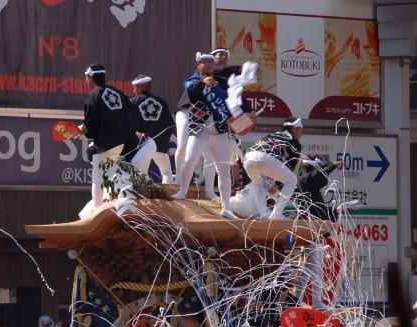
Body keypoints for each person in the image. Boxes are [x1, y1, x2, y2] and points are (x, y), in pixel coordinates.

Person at [172, 52, 238, 220]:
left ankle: (226, 207)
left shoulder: (220, 82)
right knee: (190, 159)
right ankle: (182, 191)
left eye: (211, 62)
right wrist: (203, 81)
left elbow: (233, 101)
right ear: (198, 65)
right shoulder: (192, 81)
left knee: (224, 171)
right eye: (205, 61)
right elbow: (193, 92)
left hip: (219, 133)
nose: (209, 64)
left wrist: (248, 113)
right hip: (199, 131)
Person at [81, 63, 140, 209]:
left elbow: (91, 126)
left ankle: (97, 210)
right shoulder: (117, 92)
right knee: (117, 175)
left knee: (97, 177)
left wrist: (84, 130)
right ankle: (124, 207)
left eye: (86, 77)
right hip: (125, 142)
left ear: (90, 77)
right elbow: (129, 109)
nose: (86, 80)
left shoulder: (93, 96)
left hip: (107, 142)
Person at [294, 154, 345, 309]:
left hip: (315, 229)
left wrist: (337, 211)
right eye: (318, 169)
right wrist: (333, 164)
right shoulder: (304, 180)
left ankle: (315, 302)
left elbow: (319, 211)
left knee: (316, 266)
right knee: (311, 267)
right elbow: (320, 176)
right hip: (309, 228)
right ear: (312, 168)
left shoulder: (309, 186)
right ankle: (298, 300)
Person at [243, 118, 303, 220]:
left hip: (248, 158)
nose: (301, 135)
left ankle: (264, 214)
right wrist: (277, 185)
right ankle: (276, 215)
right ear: (294, 129)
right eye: (301, 131)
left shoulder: (271, 135)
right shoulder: (294, 142)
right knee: (292, 180)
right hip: (266, 157)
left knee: (258, 184)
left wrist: (275, 184)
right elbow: (289, 166)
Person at [129, 74, 175, 183]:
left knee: (142, 173)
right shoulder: (162, 103)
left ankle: (142, 194)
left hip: (143, 146)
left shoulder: (133, 102)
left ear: (141, 88)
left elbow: (128, 125)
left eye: (135, 88)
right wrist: (163, 141)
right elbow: (170, 124)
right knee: (167, 173)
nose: (134, 90)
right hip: (160, 146)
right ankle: (168, 194)